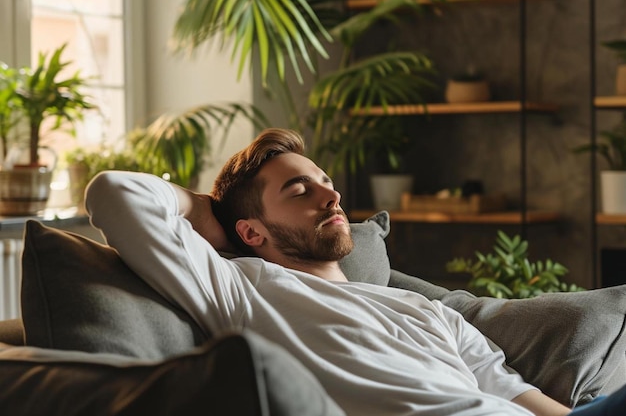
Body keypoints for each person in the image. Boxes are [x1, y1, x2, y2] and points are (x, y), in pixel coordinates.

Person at [85, 127, 624, 416]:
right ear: (251, 232)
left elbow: (518, 398)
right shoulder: (244, 290)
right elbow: (113, 193)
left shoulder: (423, 310)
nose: (332, 194)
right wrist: (207, 208)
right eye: (300, 190)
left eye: (325, 180)